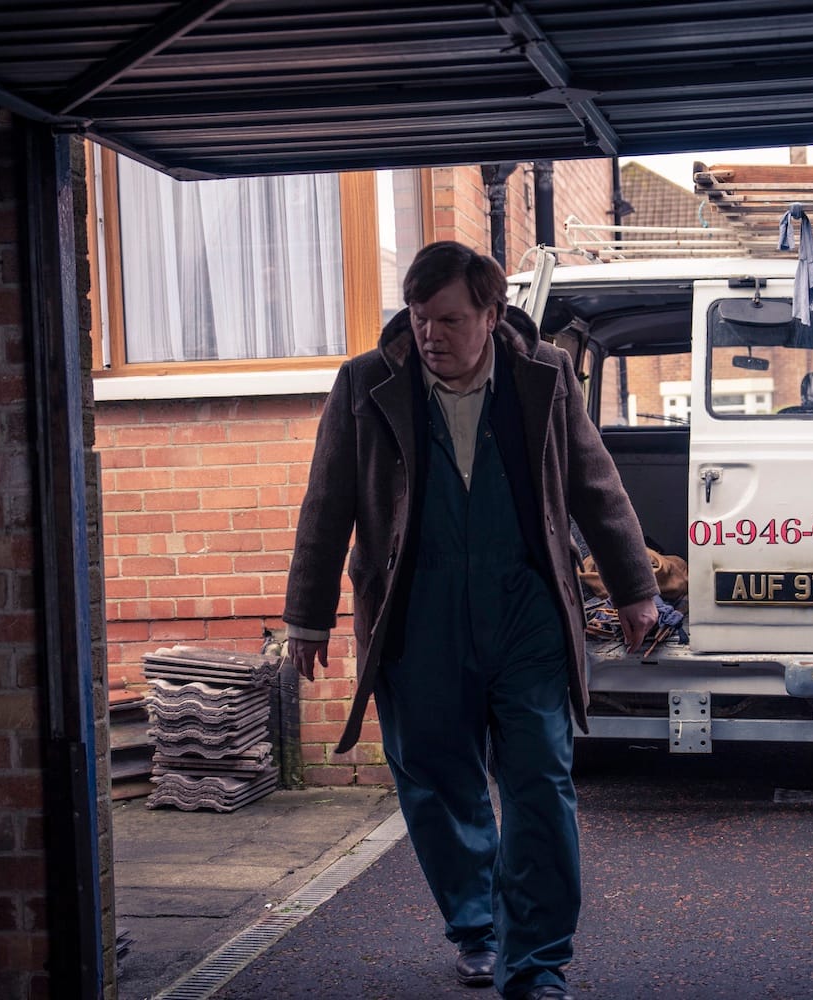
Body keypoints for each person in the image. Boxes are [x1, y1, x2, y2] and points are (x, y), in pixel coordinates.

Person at [282, 241, 660, 1000]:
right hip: (415, 614)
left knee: (539, 783)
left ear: (491, 315)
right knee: (433, 778)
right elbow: (327, 504)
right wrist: (308, 617)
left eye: (450, 320)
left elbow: (595, 484)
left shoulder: (544, 375)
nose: (430, 335)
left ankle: (541, 959)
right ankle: (476, 925)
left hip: (525, 612)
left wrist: (635, 589)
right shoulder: (366, 383)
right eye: (421, 319)